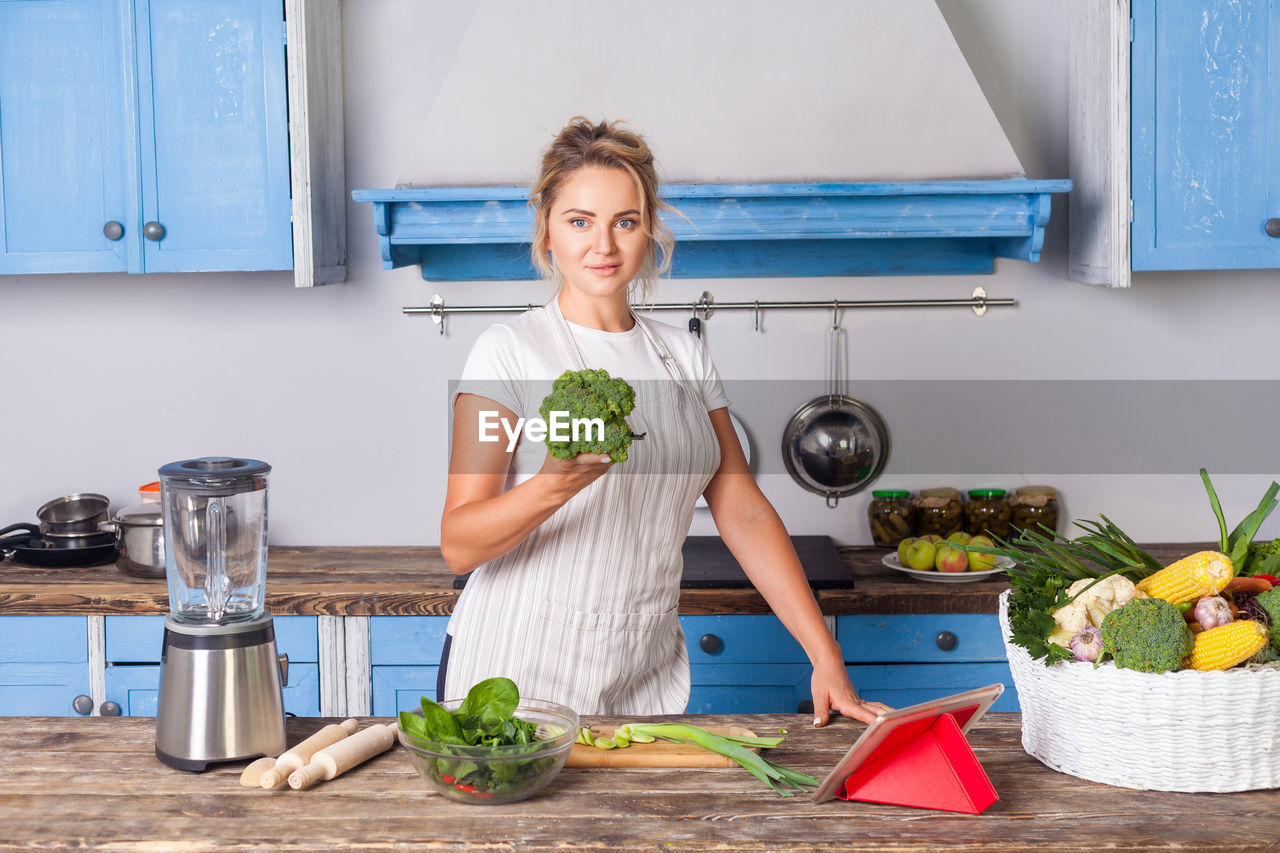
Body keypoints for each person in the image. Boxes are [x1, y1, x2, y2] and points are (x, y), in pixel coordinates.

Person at [439, 116, 890, 726]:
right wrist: (552, 484)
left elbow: (744, 510)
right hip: (519, 664)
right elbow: (459, 544)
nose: (604, 245)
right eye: (580, 221)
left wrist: (824, 652)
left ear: (647, 229)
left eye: (624, 222)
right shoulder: (508, 351)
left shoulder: (682, 355)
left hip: (639, 663)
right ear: (546, 230)